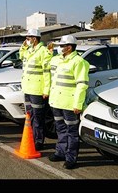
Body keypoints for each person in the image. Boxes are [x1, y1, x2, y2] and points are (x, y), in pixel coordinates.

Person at [48, 35, 89, 169]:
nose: (59, 48)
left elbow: (82, 84)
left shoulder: (78, 62)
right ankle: (60, 152)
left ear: (69, 47)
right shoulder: (58, 60)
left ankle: (71, 158)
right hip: (56, 102)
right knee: (60, 129)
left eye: (61, 46)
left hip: (69, 104)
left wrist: (78, 104)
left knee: (71, 131)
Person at [19, 29, 52, 151]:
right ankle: (31, 138)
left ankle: (38, 141)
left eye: (28, 38)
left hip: (38, 90)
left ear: (35, 38)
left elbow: (47, 72)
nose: (26, 40)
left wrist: (46, 90)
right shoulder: (29, 50)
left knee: (38, 118)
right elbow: (21, 56)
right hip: (27, 88)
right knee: (30, 116)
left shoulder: (43, 51)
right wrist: (23, 46)